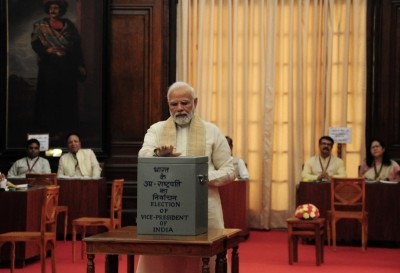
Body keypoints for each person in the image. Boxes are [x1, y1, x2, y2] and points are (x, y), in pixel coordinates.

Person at [137, 81, 235, 273]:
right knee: (165, 258)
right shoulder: (156, 130)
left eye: (185, 103)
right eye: (174, 104)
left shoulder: (212, 131)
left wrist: (199, 176)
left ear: (195, 102)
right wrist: (159, 154)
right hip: (166, 205)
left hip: (204, 205)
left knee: (206, 258)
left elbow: (230, 170)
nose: (180, 109)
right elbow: (143, 155)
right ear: (168, 106)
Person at [31, 0, 86, 138]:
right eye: (51, 8)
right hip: (49, 68)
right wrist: (47, 50)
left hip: (67, 67)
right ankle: (48, 127)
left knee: (65, 97)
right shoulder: (41, 25)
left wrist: (80, 65)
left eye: (56, 8)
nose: (53, 10)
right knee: (49, 97)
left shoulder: (69, 26)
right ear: (48, 10)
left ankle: (65, 128)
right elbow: (36, 45)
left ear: (61, 10)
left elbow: (77, 47)